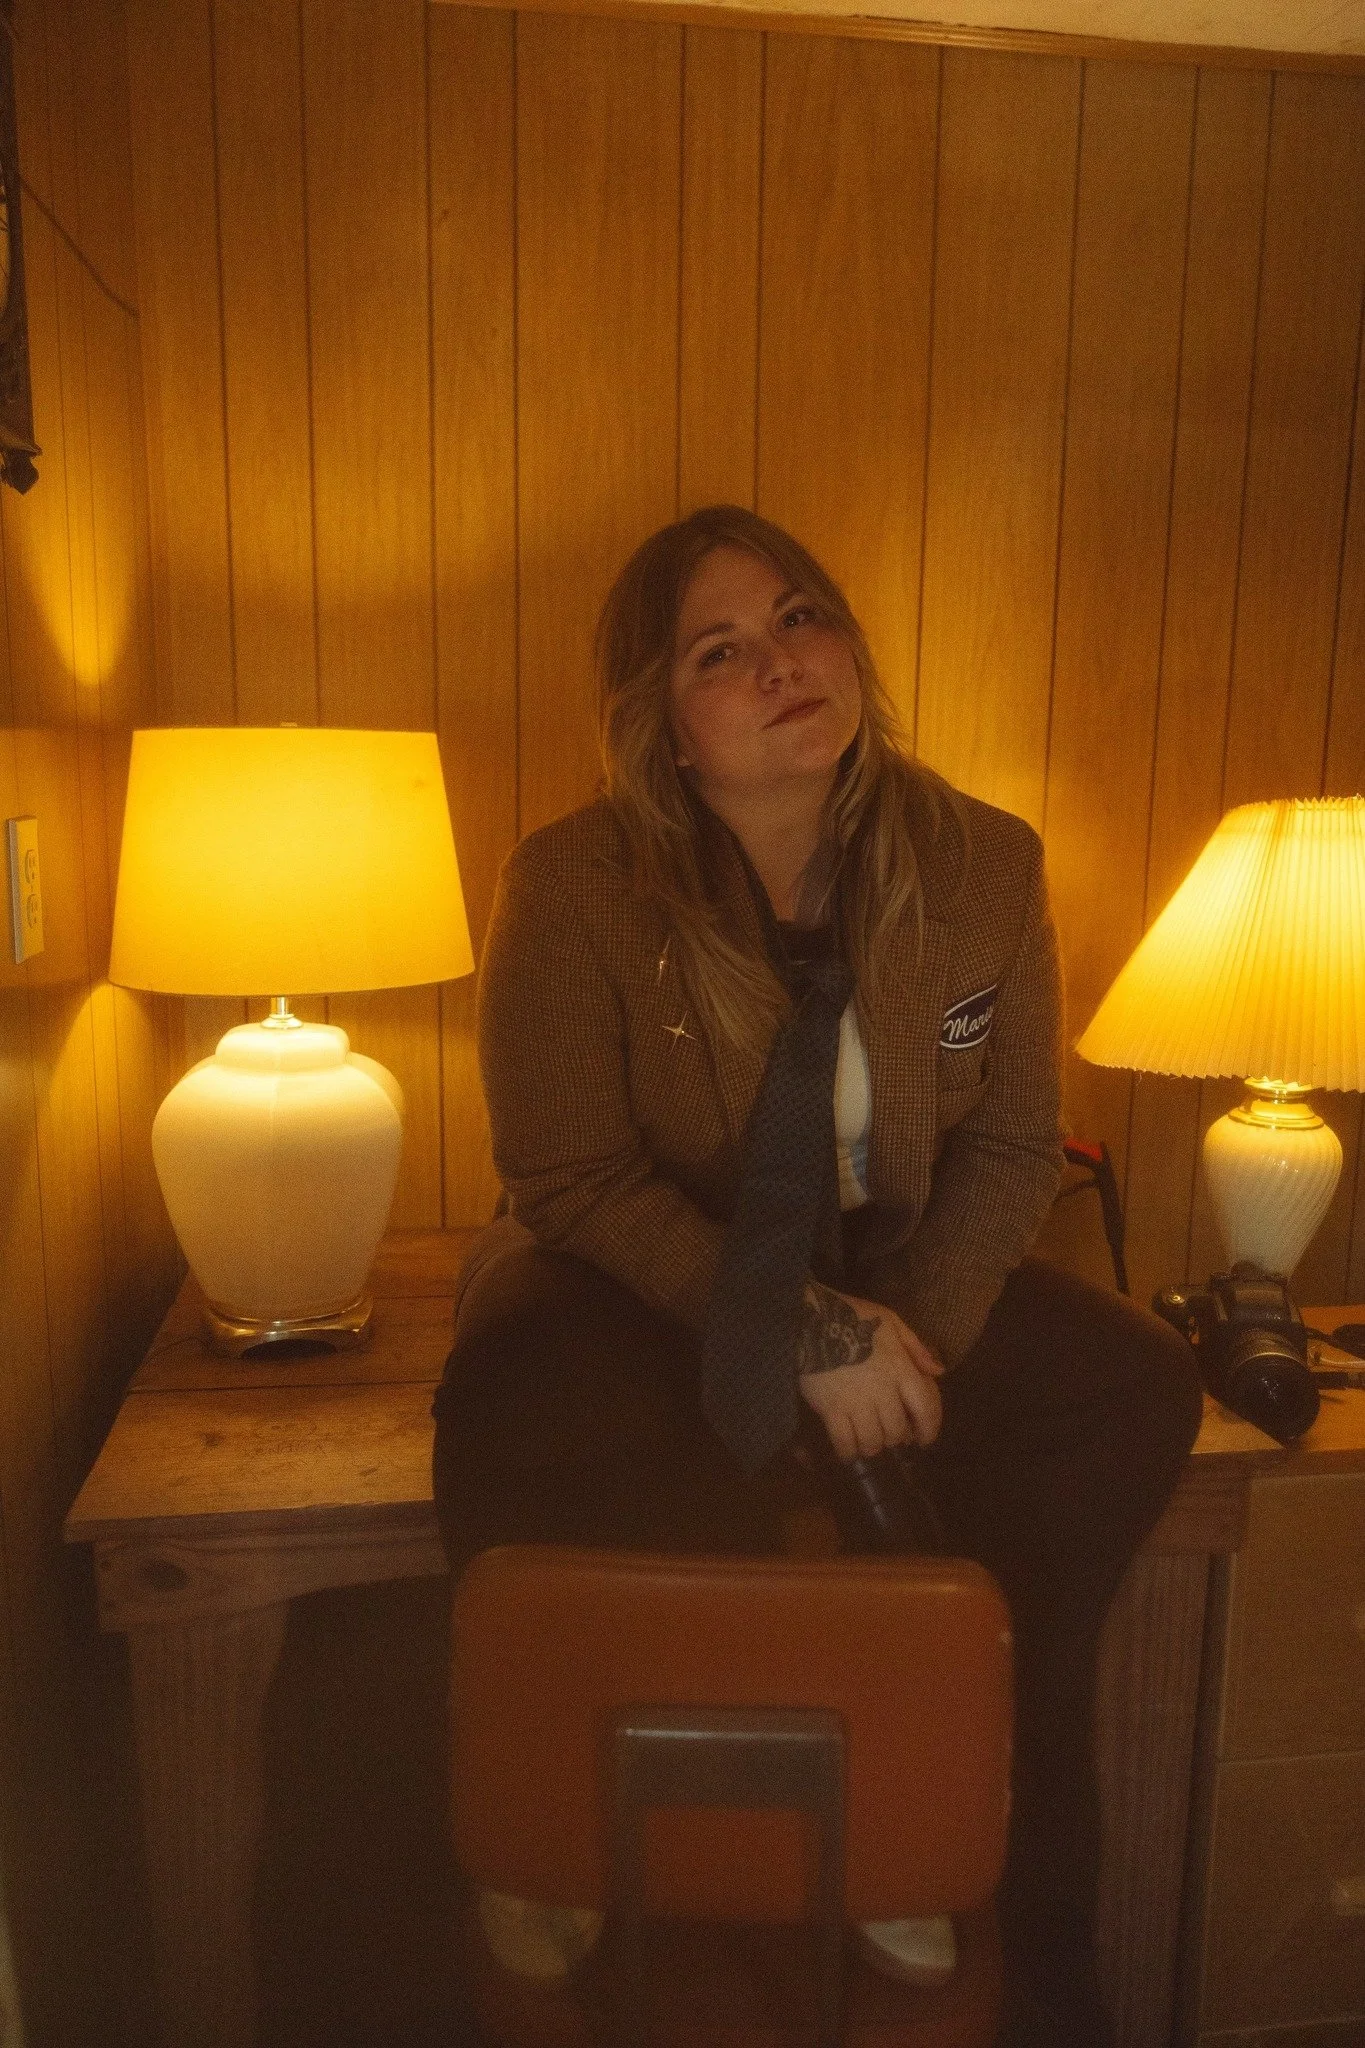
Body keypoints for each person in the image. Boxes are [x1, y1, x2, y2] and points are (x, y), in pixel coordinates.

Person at [433, 504, 1203, 2045]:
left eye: (800, 618)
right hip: (648, 1262)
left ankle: (937, 1770)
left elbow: (1008, 1149)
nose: (783, 663)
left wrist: (903, 1337)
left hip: (890, 1263)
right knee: (515, 1394)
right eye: (723, 649)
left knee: (1132, 1381)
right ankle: (572, 1830)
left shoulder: (982, 860)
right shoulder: (574, 884)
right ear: (664, 723)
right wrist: (795, 1331)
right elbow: (570, 1176)